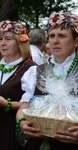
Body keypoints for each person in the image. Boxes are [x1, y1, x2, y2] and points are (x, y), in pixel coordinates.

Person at [16, 12, 78, 150]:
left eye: (62, 36)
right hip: (39, 144)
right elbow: (24, 106)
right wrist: (21, 123)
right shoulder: (36, 72)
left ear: (76, 41)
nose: (55, 41)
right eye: (52, 36)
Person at [0, 20, 37, 150]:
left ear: (19, 42)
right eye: (0, 39)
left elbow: (33, 105)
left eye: (8, 39)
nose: (2, 43)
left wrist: (7, 104)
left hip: (12, 133)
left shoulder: (30, 69)